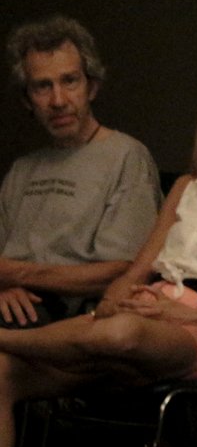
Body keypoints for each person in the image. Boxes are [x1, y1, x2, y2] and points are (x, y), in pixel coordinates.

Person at [0, 57, 197, 447]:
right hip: (149, 310)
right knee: (4, 372)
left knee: (121, 334)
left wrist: (184, 316)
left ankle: (7, 338)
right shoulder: (189, 186)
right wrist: (113, 301)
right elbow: (135, 272)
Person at [0, 16, 160, 326]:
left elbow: (122, 271)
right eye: (42, 87)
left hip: (71, 314)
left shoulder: (127, 156)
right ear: (27, 100)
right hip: (12, 305)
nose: (58, 100)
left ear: (92, 87)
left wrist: (15, 274)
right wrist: (4, 287)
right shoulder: (22, 170)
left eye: (70, 81)